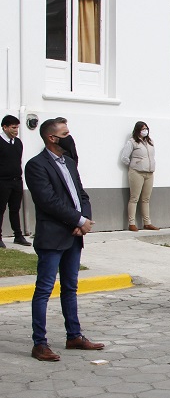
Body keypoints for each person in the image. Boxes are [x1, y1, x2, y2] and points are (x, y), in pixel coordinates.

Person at [24, 118, 104, 361]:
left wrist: (84, 220)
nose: (70, 137)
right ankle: (40, 343)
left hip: (73, 237)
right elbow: (48, 201)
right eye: (65, 134)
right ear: (52, 138)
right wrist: (78, 221)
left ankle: (74, 336)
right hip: (52, 237)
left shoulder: (69, 162)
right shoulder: (36, 165)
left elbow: (81, 195)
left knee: (70, 287)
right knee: (44, 290)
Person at [119, 121, 158, 232]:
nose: (145, 131)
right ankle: (131, 223)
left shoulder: (150, 141)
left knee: (146, 199)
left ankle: (147, 223)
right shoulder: (132, 142)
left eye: (146, 128)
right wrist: (134, 164)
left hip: (149, 173)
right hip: (137, 172)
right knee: (134, 198)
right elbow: (124, 157)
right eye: (142, 129)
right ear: (138, 130)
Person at [0, 115, 31, 247]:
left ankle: (18, 235)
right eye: (13, 127)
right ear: (5, 127)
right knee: (1, 209)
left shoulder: (18, 143)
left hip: (17, 181)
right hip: (3, 182)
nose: (16, 130)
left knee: (15, 209)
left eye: (17, 127)